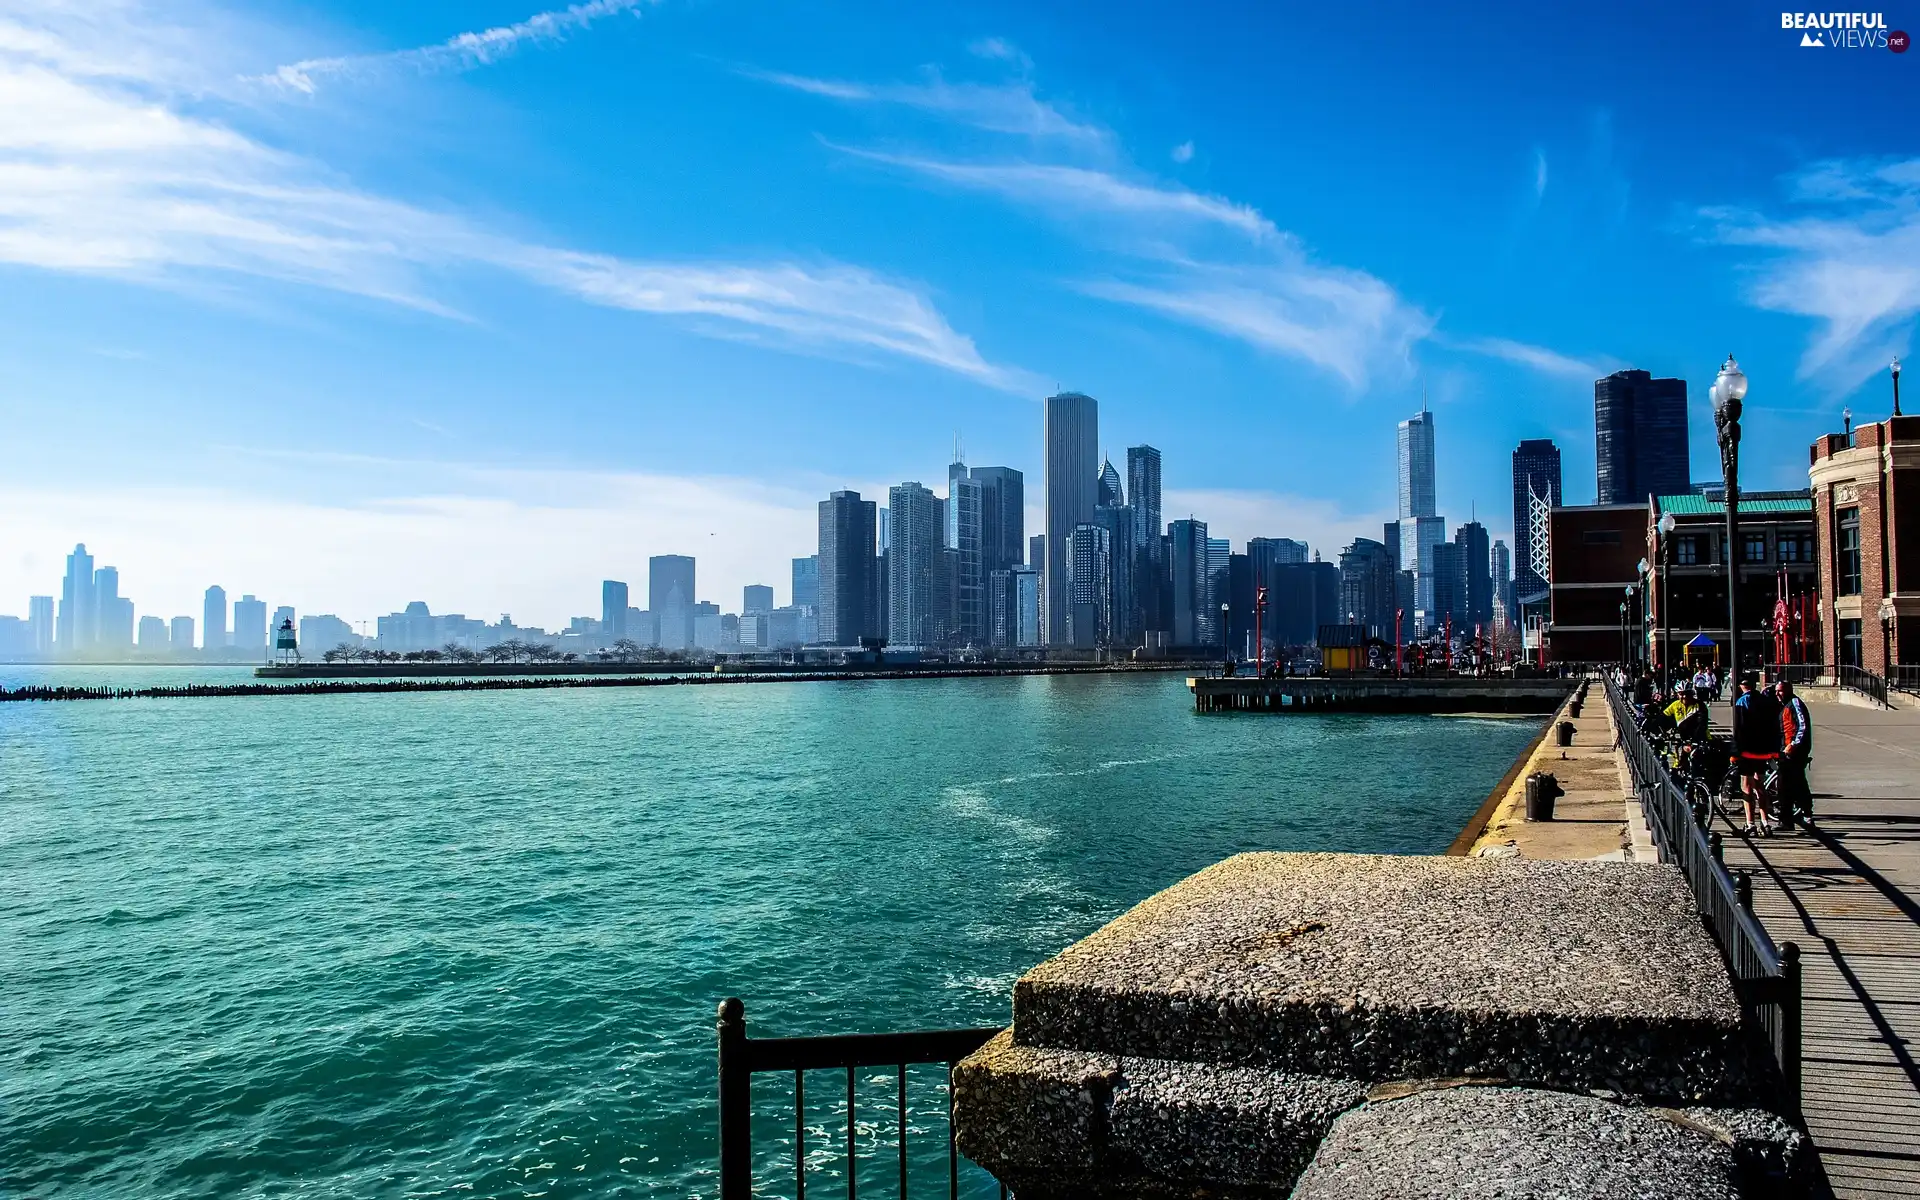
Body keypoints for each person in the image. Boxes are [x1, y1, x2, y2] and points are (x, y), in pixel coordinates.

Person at [1731, 674, 1782, 836]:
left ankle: (1750, 823)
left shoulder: (1741, 702)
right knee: (1760, 786)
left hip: (1747, 750)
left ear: (1741, 686)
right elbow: (1774, 726)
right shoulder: (1766, 702)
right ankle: (1765, 822)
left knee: (1746, 786)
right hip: (1763, 750)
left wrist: (1735, 751)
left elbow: (1739, 729)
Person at [1776, 680, 1814, 827]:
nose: (1777, 694)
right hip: (1785, 749)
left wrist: (1793, 745)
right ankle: (1786, 818)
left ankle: (1806, 815)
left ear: (1788, 690)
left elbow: (1802, 726)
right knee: (1784, 785)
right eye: (1776, 691)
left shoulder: (1794, 703)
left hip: (1795, 752)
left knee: (1797, 783)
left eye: (1780, 691)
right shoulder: (1784, 706)